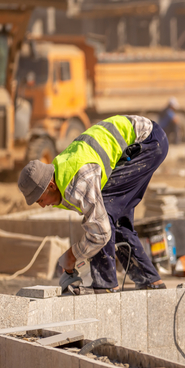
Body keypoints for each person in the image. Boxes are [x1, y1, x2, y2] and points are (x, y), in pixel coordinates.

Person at [18, 115, 168, 292]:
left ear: (51, 185)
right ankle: (150, 281)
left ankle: (105, 285)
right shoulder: (61, 172)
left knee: (104, 212)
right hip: (142, 143)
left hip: (148, 141)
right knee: (114, 217)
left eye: (41, 200)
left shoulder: (80, 180)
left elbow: (101, 232)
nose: (42, 206)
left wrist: (72, 256)